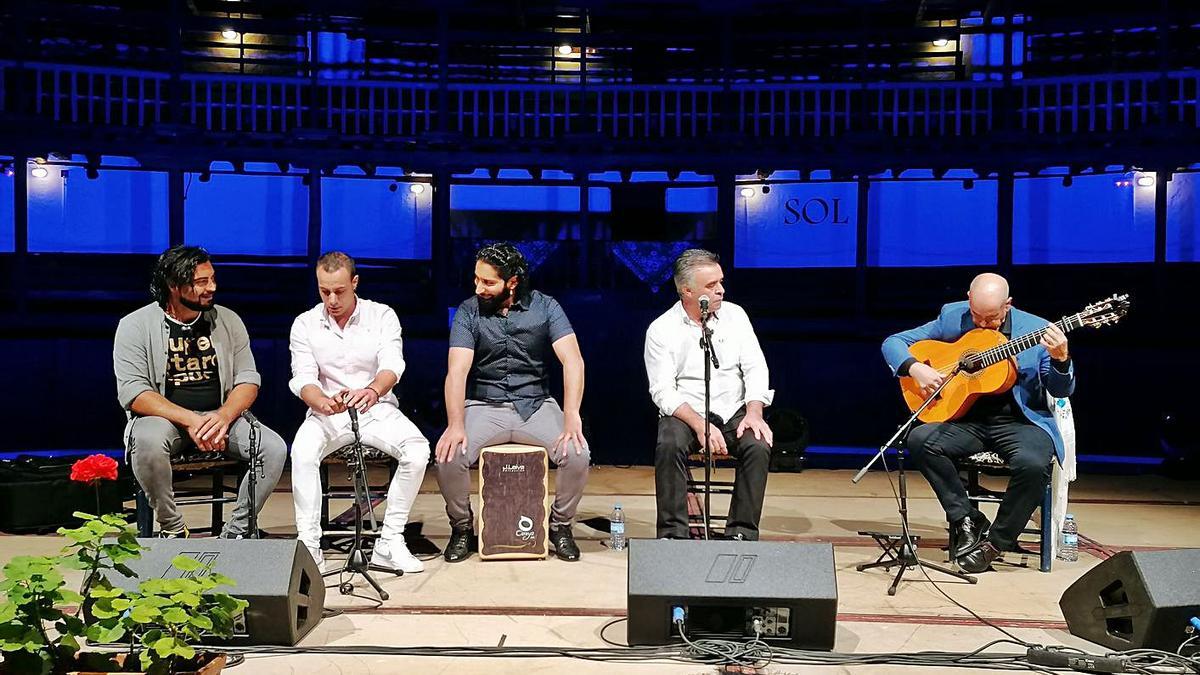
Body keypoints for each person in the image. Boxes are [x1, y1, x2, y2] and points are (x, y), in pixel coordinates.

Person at [882, 273, 1075, 573]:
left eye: (992, 318)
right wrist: (915, 368)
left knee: (1034, 464)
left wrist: (1062, 360)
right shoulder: (952, 316)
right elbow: (893, 343)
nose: (982, 324)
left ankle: (995, 542)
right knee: (921, 440)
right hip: (965, 421)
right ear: (968, 300)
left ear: (1008, 305)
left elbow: (1060, 391)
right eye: (977, 316)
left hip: (1020, 423)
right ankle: (966, 517)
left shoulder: (1037, 331)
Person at [114, 245, 287, 538]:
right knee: (147, 441)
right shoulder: (134, 326)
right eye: (202, 282)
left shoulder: (228, 320)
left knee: (273, 448)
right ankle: (172, 526)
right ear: (173, 285)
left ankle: (236, 532)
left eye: (213, 279)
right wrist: (191, 420)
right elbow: (134, 392)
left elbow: (248, 380)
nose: (212, 288)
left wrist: (221, 417)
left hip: (221, 417)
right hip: (166, 419)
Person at [434, 242, 589, 562]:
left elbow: (573, 361)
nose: (479, 287)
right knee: (448, 456)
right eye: (476, 279)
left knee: (577, 453)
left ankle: (560, 526)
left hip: (535, 405)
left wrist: (571, 414)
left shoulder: (546, 307)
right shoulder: (468, 311)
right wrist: (455, 424)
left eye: (488, 282)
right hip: (483, 405)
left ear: (513, 282)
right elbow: (457, 371)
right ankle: (462, 527)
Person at [288, 252, 431, 573]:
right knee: (301, 452)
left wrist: (371, 391)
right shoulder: (305, 323)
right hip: (327, 412)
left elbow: (393, 364)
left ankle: (390, 541)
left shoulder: (382, 315)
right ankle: (309, 545)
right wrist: (320, 401)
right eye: (325, 291)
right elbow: (303, 377)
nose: (332, 299)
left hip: (375, 407)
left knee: (418, 450)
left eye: (339, 290)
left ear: (355, 282)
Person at [644, 248, 774, 541]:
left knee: (758, 443)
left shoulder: (736, 316)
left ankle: (741, 532)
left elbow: (756, 367)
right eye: (711, 286)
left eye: (721, 282)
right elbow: (662, 390)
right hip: (687, 413)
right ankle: (673, 534)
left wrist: (755, 412)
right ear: (687, 291)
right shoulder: (661, 330)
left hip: (732, 410)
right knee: (669, 442)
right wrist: (699, 425)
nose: (721, 290)